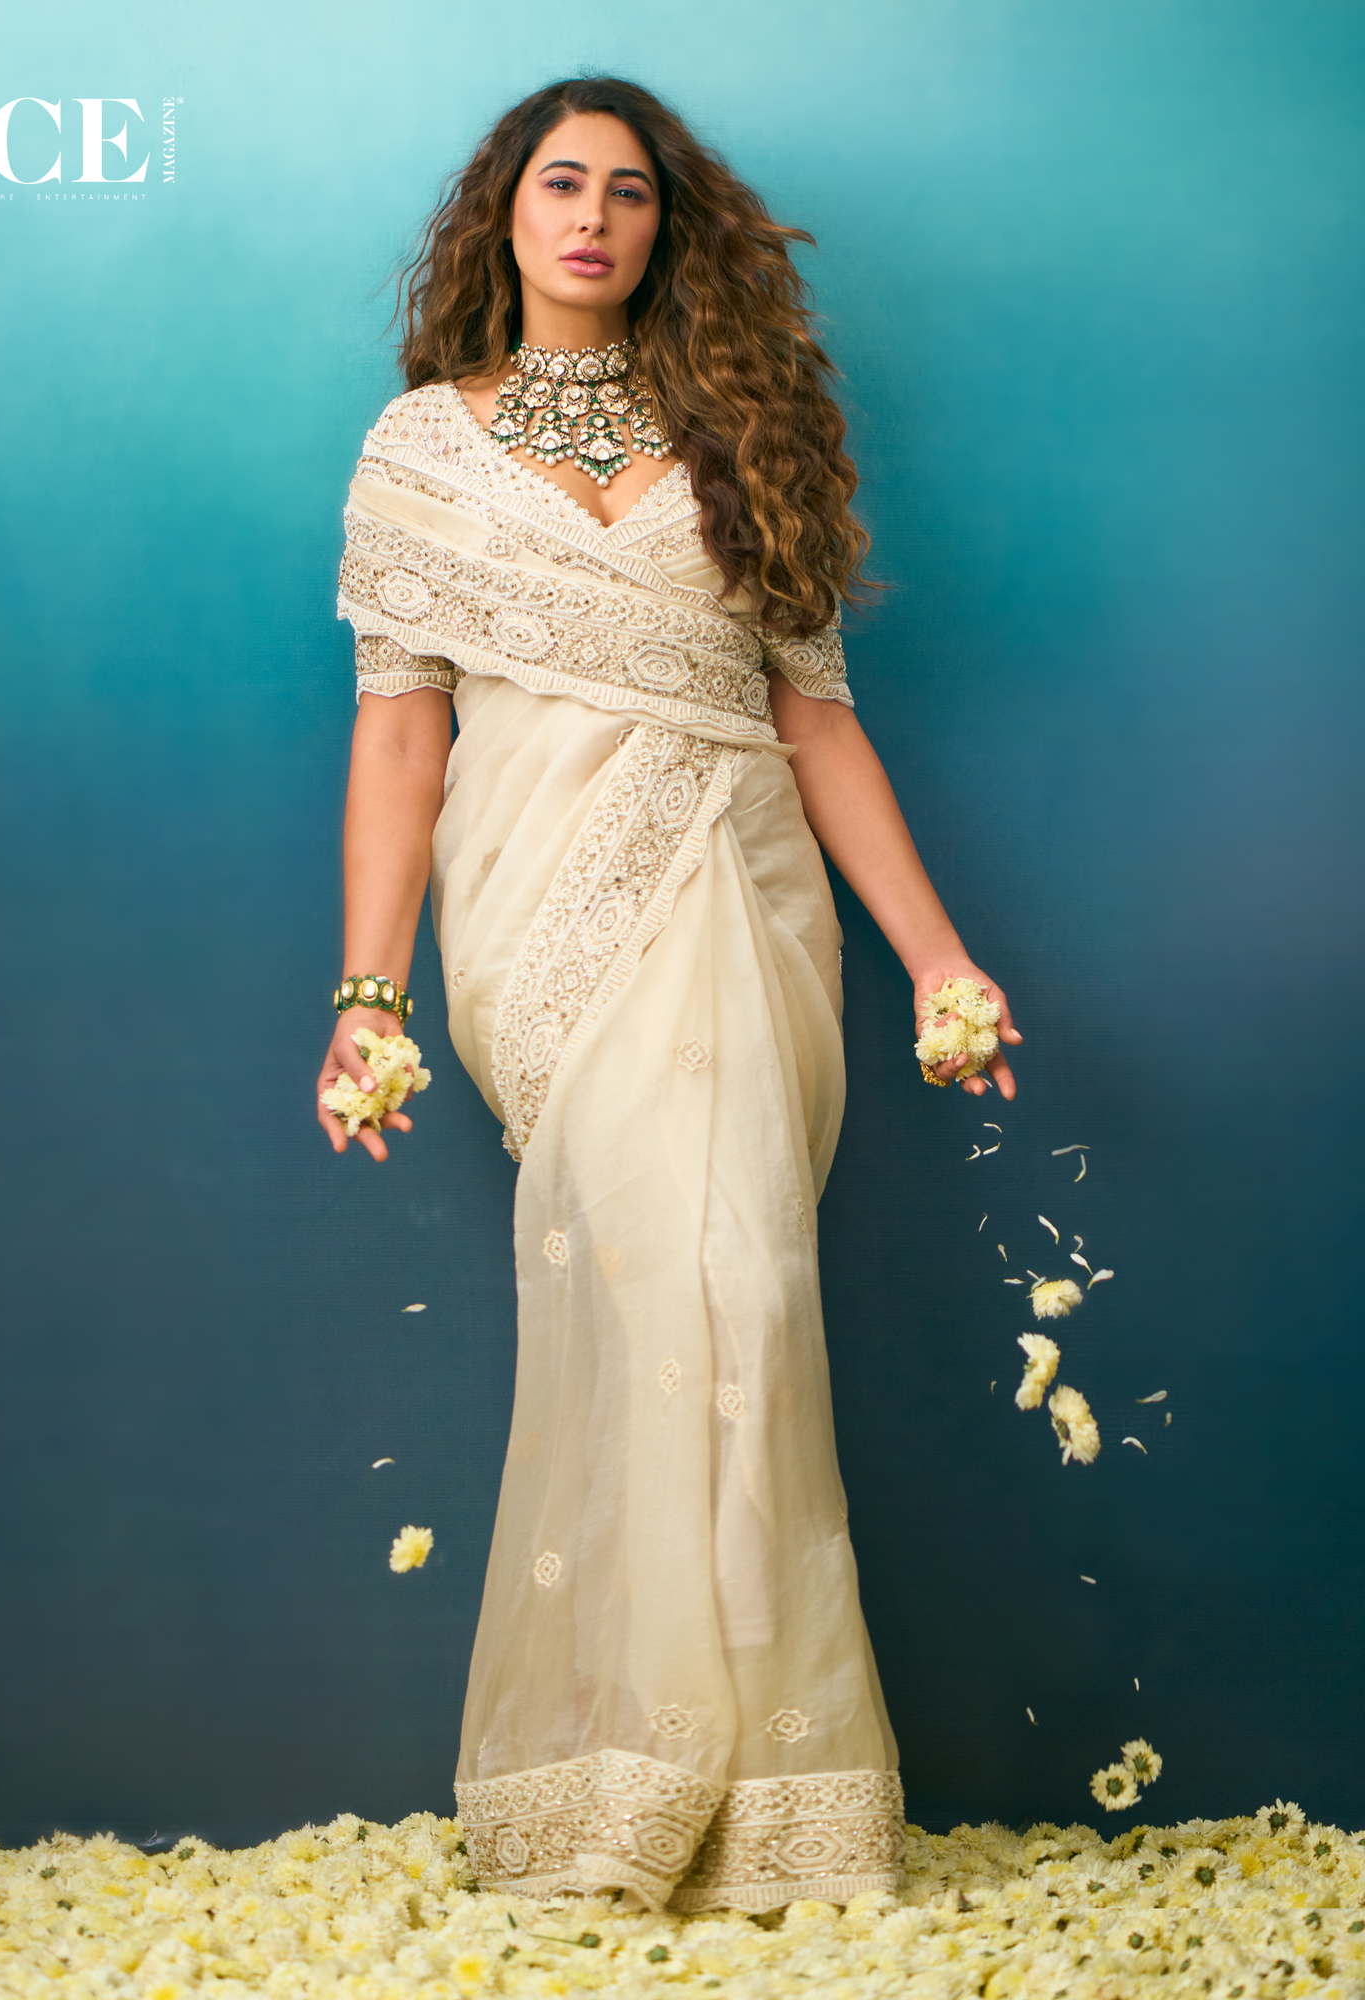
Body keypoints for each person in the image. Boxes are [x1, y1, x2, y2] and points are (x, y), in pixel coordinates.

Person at [316, 76, 1022, 1913]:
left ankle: (764, 1797)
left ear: (665, 228)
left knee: (748, 1301)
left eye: (630, 192)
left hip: (740, 892)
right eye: (562, 183)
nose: (593, 217)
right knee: (650, 1300)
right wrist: (370, 994)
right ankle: (607, 1782)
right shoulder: (420, 451)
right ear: (505, 212)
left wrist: (940, 962)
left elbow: (819, 724)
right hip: (539, 916)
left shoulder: (738, 436)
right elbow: (397, 738)